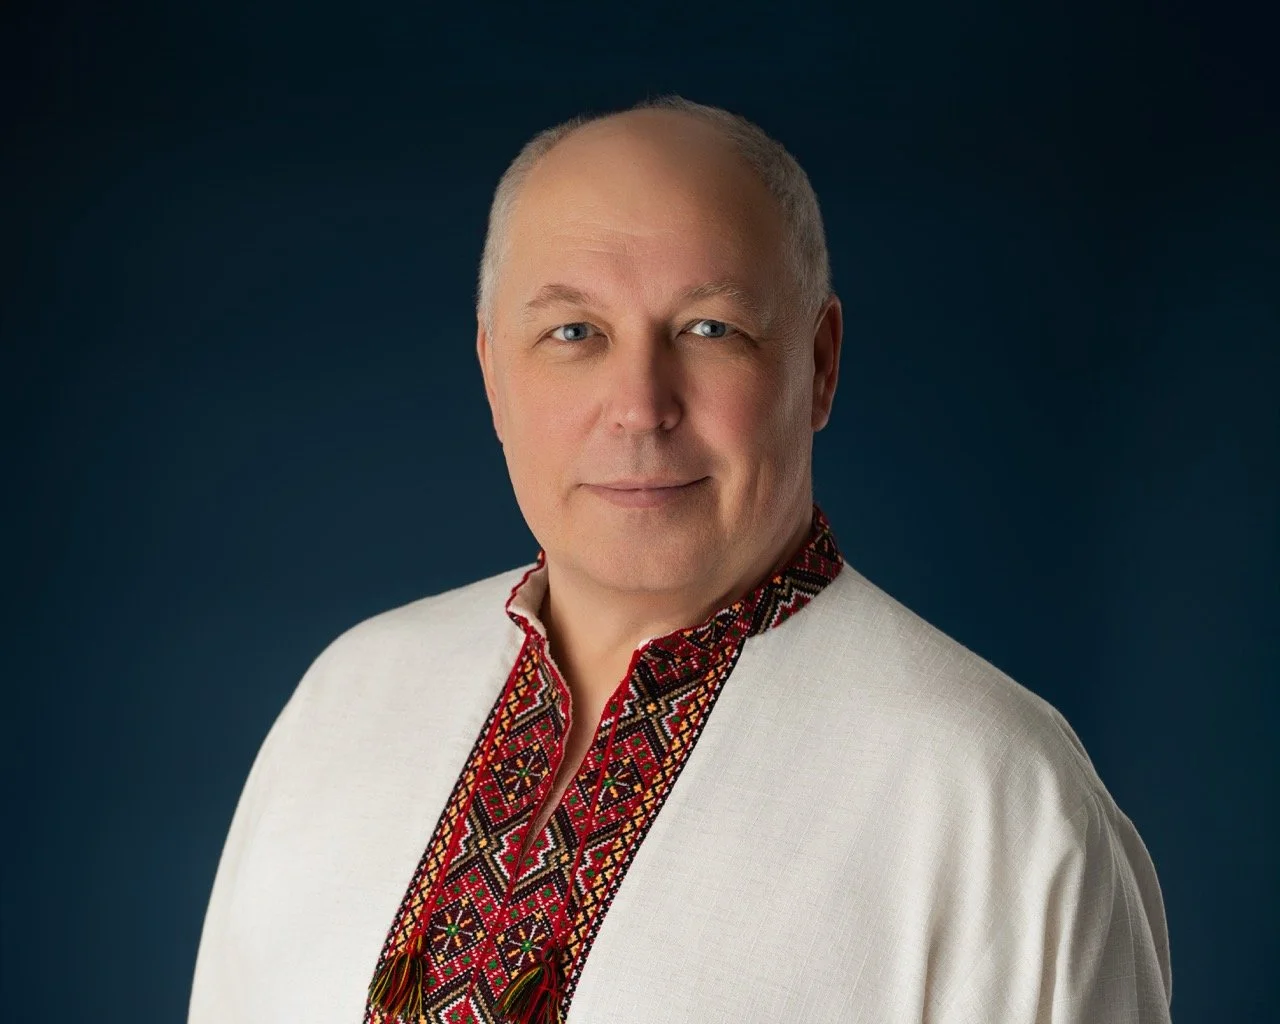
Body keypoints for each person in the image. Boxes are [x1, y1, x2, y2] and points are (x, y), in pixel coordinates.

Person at [188, 95, 1173, 1024]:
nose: (639, 405)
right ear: (492, 371)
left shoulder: (996, 799)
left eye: (709, 329)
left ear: (818, 363)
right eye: (572, 332)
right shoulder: (347, 697)